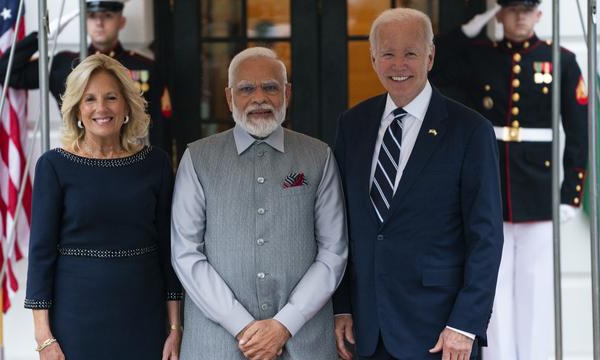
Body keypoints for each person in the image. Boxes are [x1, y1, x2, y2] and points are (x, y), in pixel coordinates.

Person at [332, 8, 504, 360]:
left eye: (410, 53)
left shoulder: (470, 131)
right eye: (388, 54)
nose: (399, 65)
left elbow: (486, 236)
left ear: (430, 56)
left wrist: (465, 324)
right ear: (373, 58)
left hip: (440, 334)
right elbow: (341, 225)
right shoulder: (353, 125)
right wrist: (342, 307)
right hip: (368, 330)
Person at [430, 1, 588, 358]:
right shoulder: (480, 55)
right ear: (500, 14)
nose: (520, 17)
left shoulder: (560, 59)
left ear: (540, 15)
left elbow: (579, 131)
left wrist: (570, 193)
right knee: (492, 287)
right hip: (492, 185)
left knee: (535, 290)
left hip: (538, 189)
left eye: (528, 9)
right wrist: (473, 26)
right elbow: (436, 67)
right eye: (512, 8)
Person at [170, 47, 348, 359]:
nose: (259, 98)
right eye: (246, 89)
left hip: (303, 341)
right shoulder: (197, 158)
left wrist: (284, 324)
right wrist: (241, 325)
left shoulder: (319, 156)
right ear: (228, 97)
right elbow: (185, 253)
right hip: (217, 344)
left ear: (287, 93)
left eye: (270, 87)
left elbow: (333, 251)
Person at [24, 54, 183, 360]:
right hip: (75, 321)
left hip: (144, 317)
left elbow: (169, 249)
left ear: (126, 105)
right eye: (90, 99)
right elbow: (40, 255)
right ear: (77, 109)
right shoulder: (53, 166)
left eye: (111, 97)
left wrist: (175, 328)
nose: (101, 108)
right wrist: (44, 337)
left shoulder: (156, 164)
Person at [0, 0, 175, 159]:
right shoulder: (63, 64)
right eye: (92, 16)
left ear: (122, 21)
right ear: (84, 21)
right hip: (76, 156)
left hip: (129, 158)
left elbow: (160, 128)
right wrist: (41, 35)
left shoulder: (144, 66)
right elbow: (2, 72)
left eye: (108, 16)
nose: (99, 23)